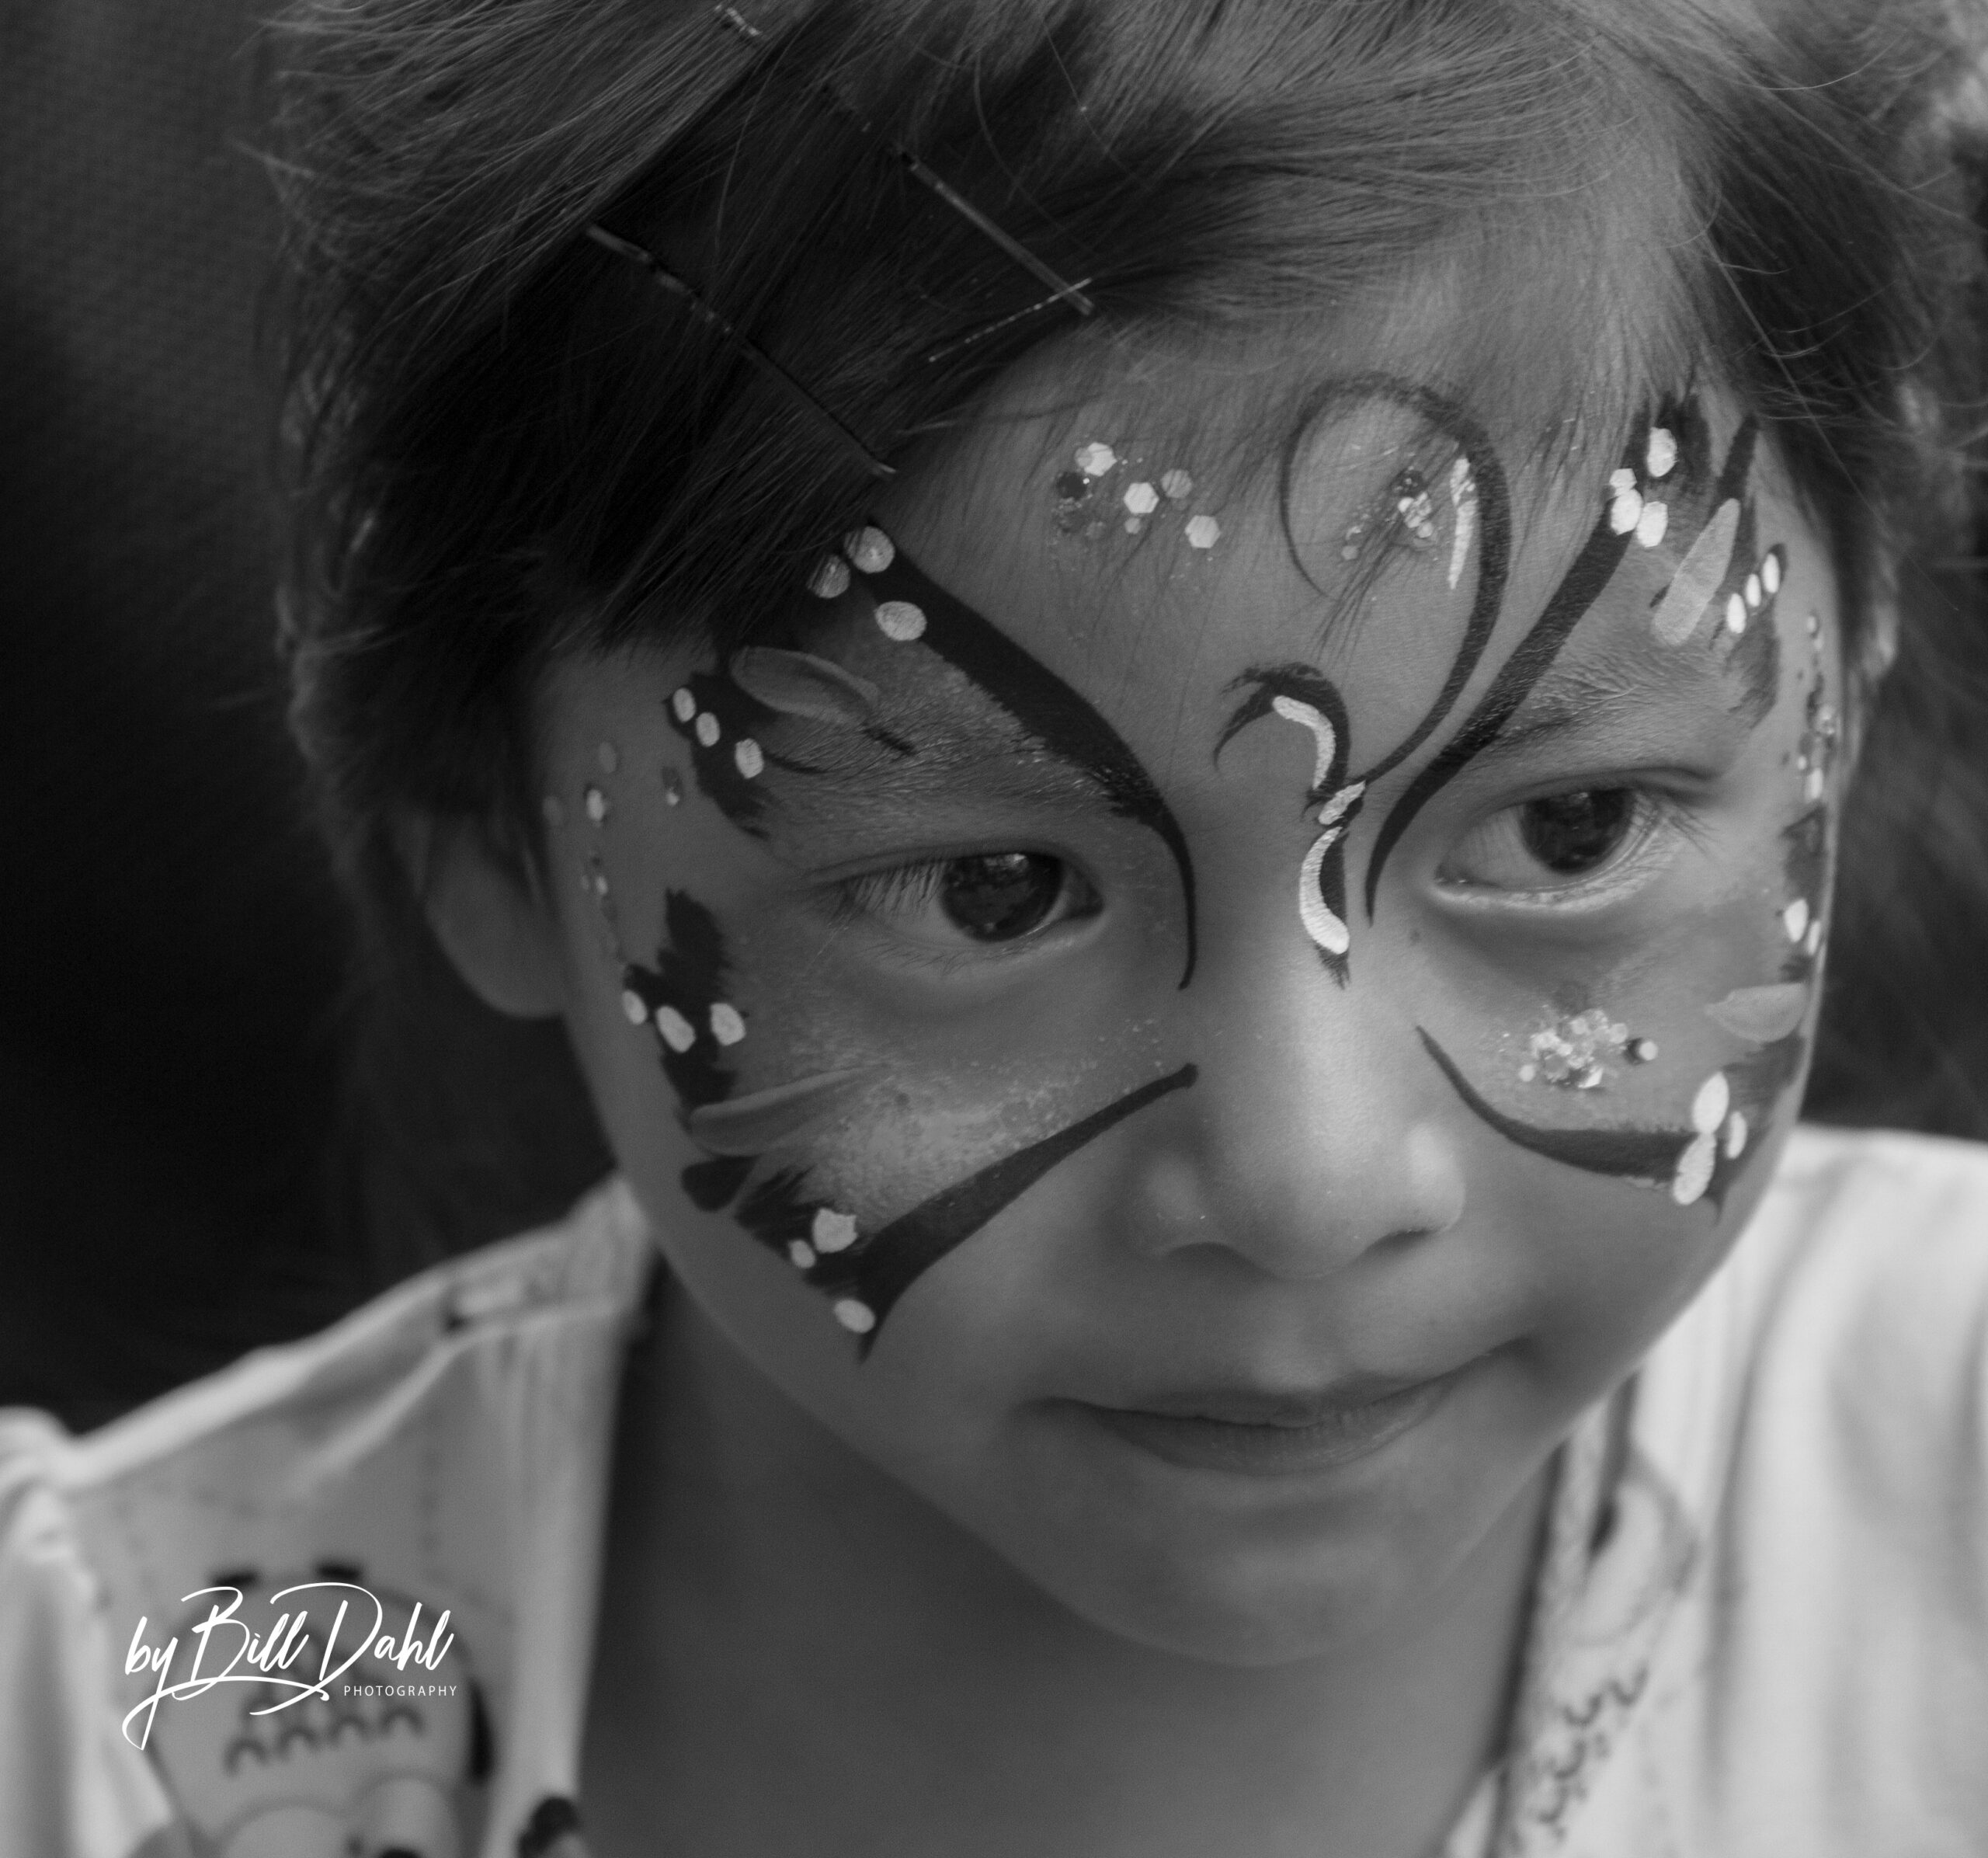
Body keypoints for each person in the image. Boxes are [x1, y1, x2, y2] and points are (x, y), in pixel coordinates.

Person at [7, 0, 1988, 1852]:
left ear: (1867, 637)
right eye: (992, 890)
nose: (1305, 1183)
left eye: (1568, 830)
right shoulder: (116, 1727)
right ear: (484, 830)